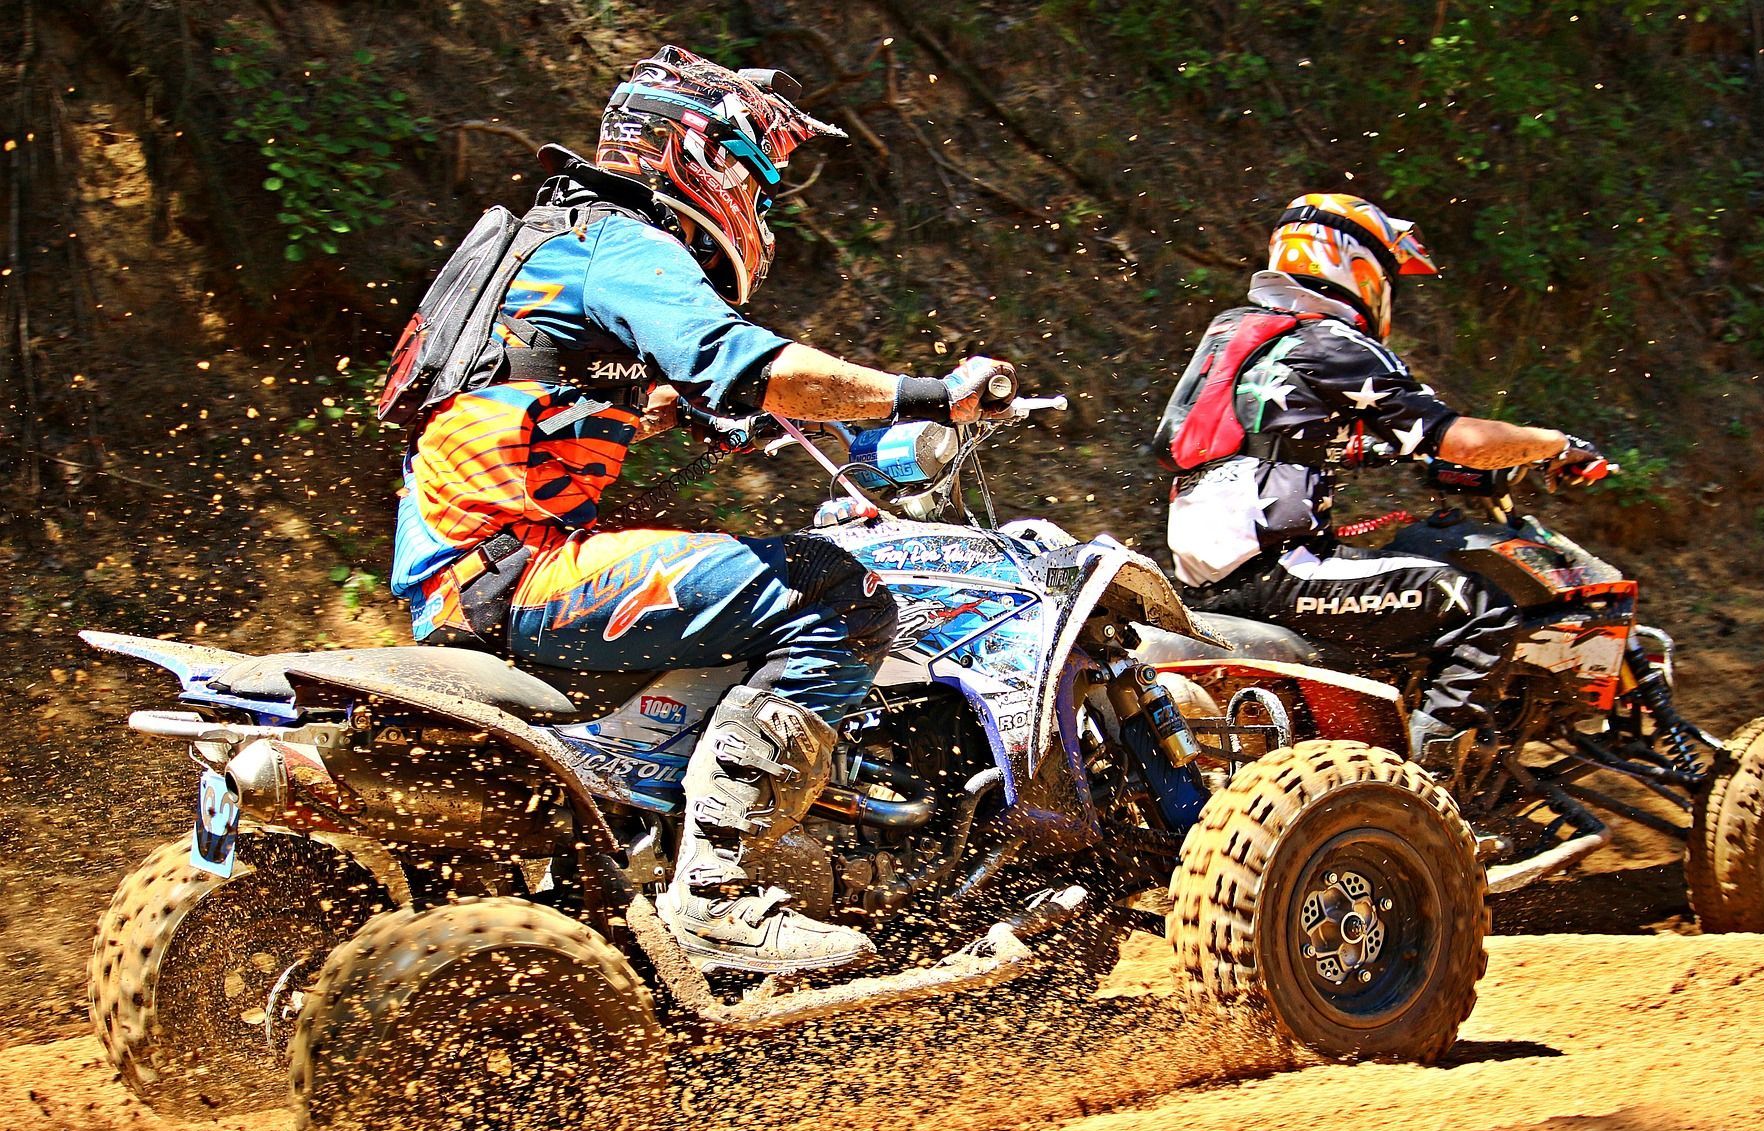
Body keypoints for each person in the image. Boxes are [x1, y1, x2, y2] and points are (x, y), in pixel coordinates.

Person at [385, 47, 1013, 975]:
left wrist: (685, 410)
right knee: (836, 594)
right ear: (700, 154)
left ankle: (649, 799)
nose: (760, 203)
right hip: (525, 571)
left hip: (458, 579)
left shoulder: (534, 251)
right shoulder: (621, 242)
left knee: (739, 596)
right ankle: (717, 894)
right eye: (758, 174)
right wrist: (931, 396)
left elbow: (533, 400)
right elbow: (755, 366)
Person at [1153, 192, 1610, 782]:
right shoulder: (1331, 340)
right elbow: (1461, 440)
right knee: (1483, 606)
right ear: (1357, 267)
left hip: (1204, 581)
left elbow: (1272, 433)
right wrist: (1555, 444)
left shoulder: (1235, 335)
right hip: (1281, 575)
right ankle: (1430, 792)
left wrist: (1387, 449)